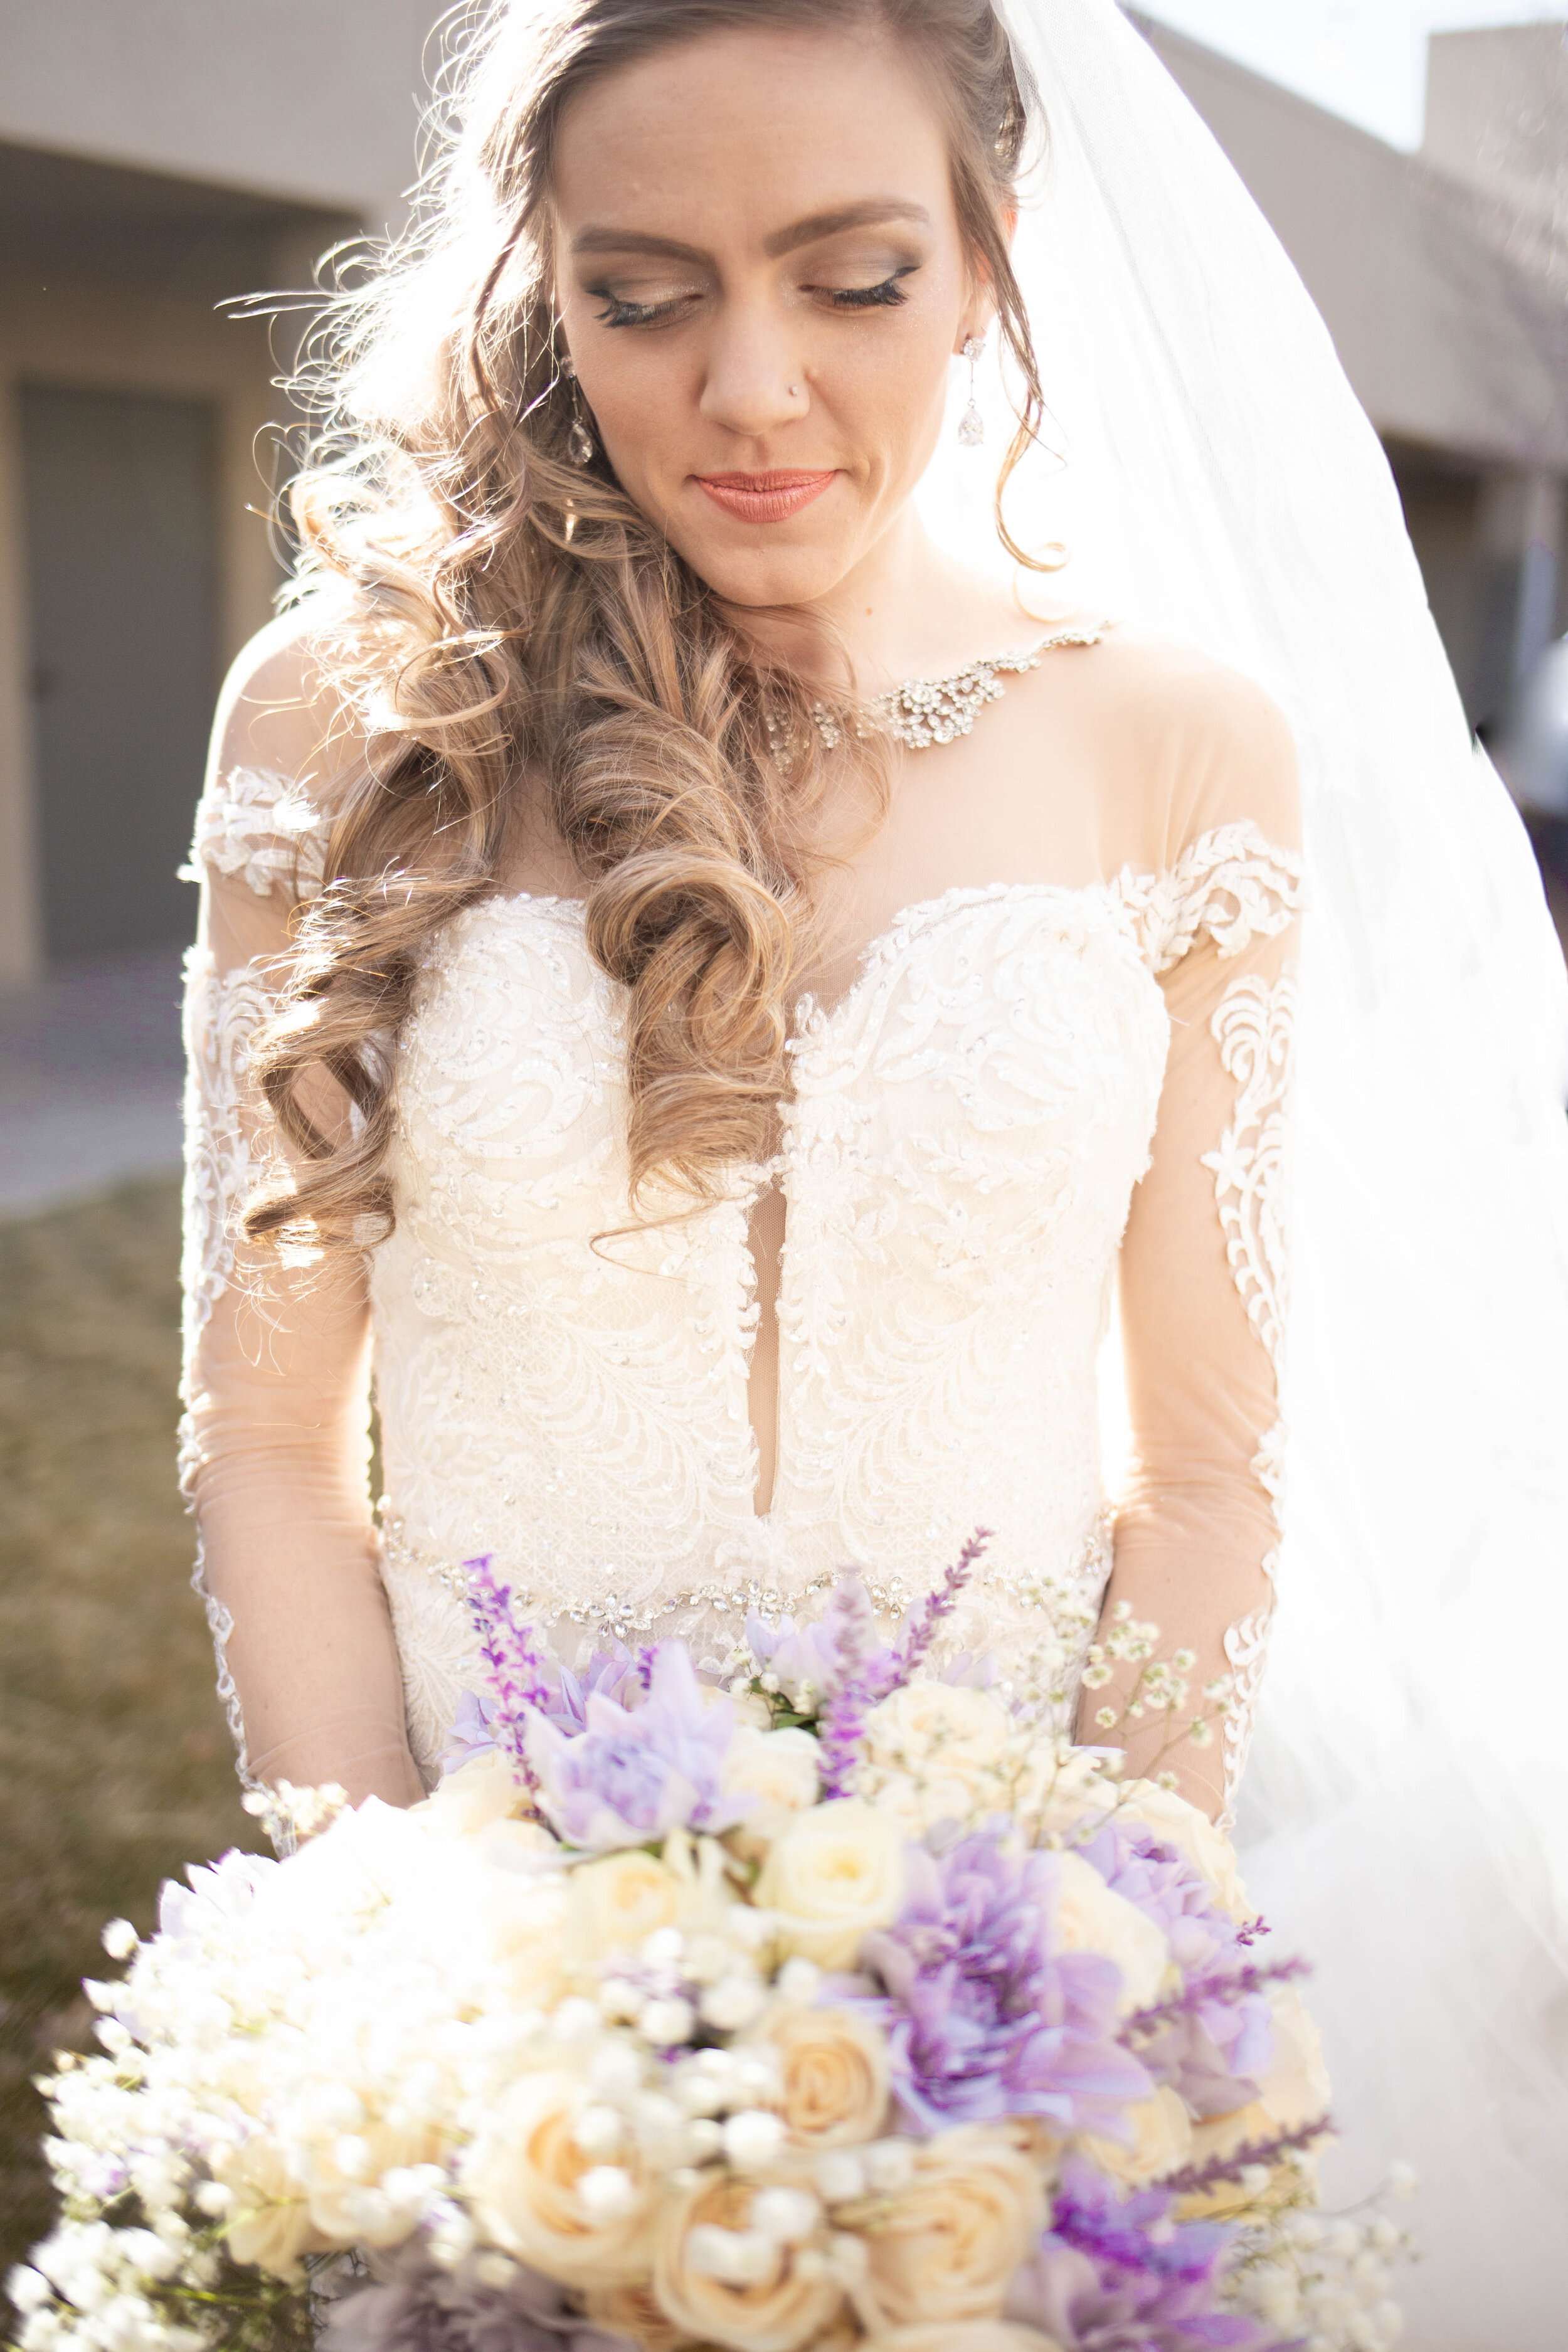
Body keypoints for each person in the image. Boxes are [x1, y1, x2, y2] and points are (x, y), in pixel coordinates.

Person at [179, 1, 1568, 2342]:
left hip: (1009, 2028)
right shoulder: (346, 720)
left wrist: (1079, 1981)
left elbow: (1205, 1464)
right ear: (540, 278)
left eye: (850, 277)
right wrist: (397, 1970)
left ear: (989, 257)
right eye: (644, 292)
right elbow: (272, 1448)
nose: (749, 390)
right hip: (486, 1994)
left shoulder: (1177, 742)